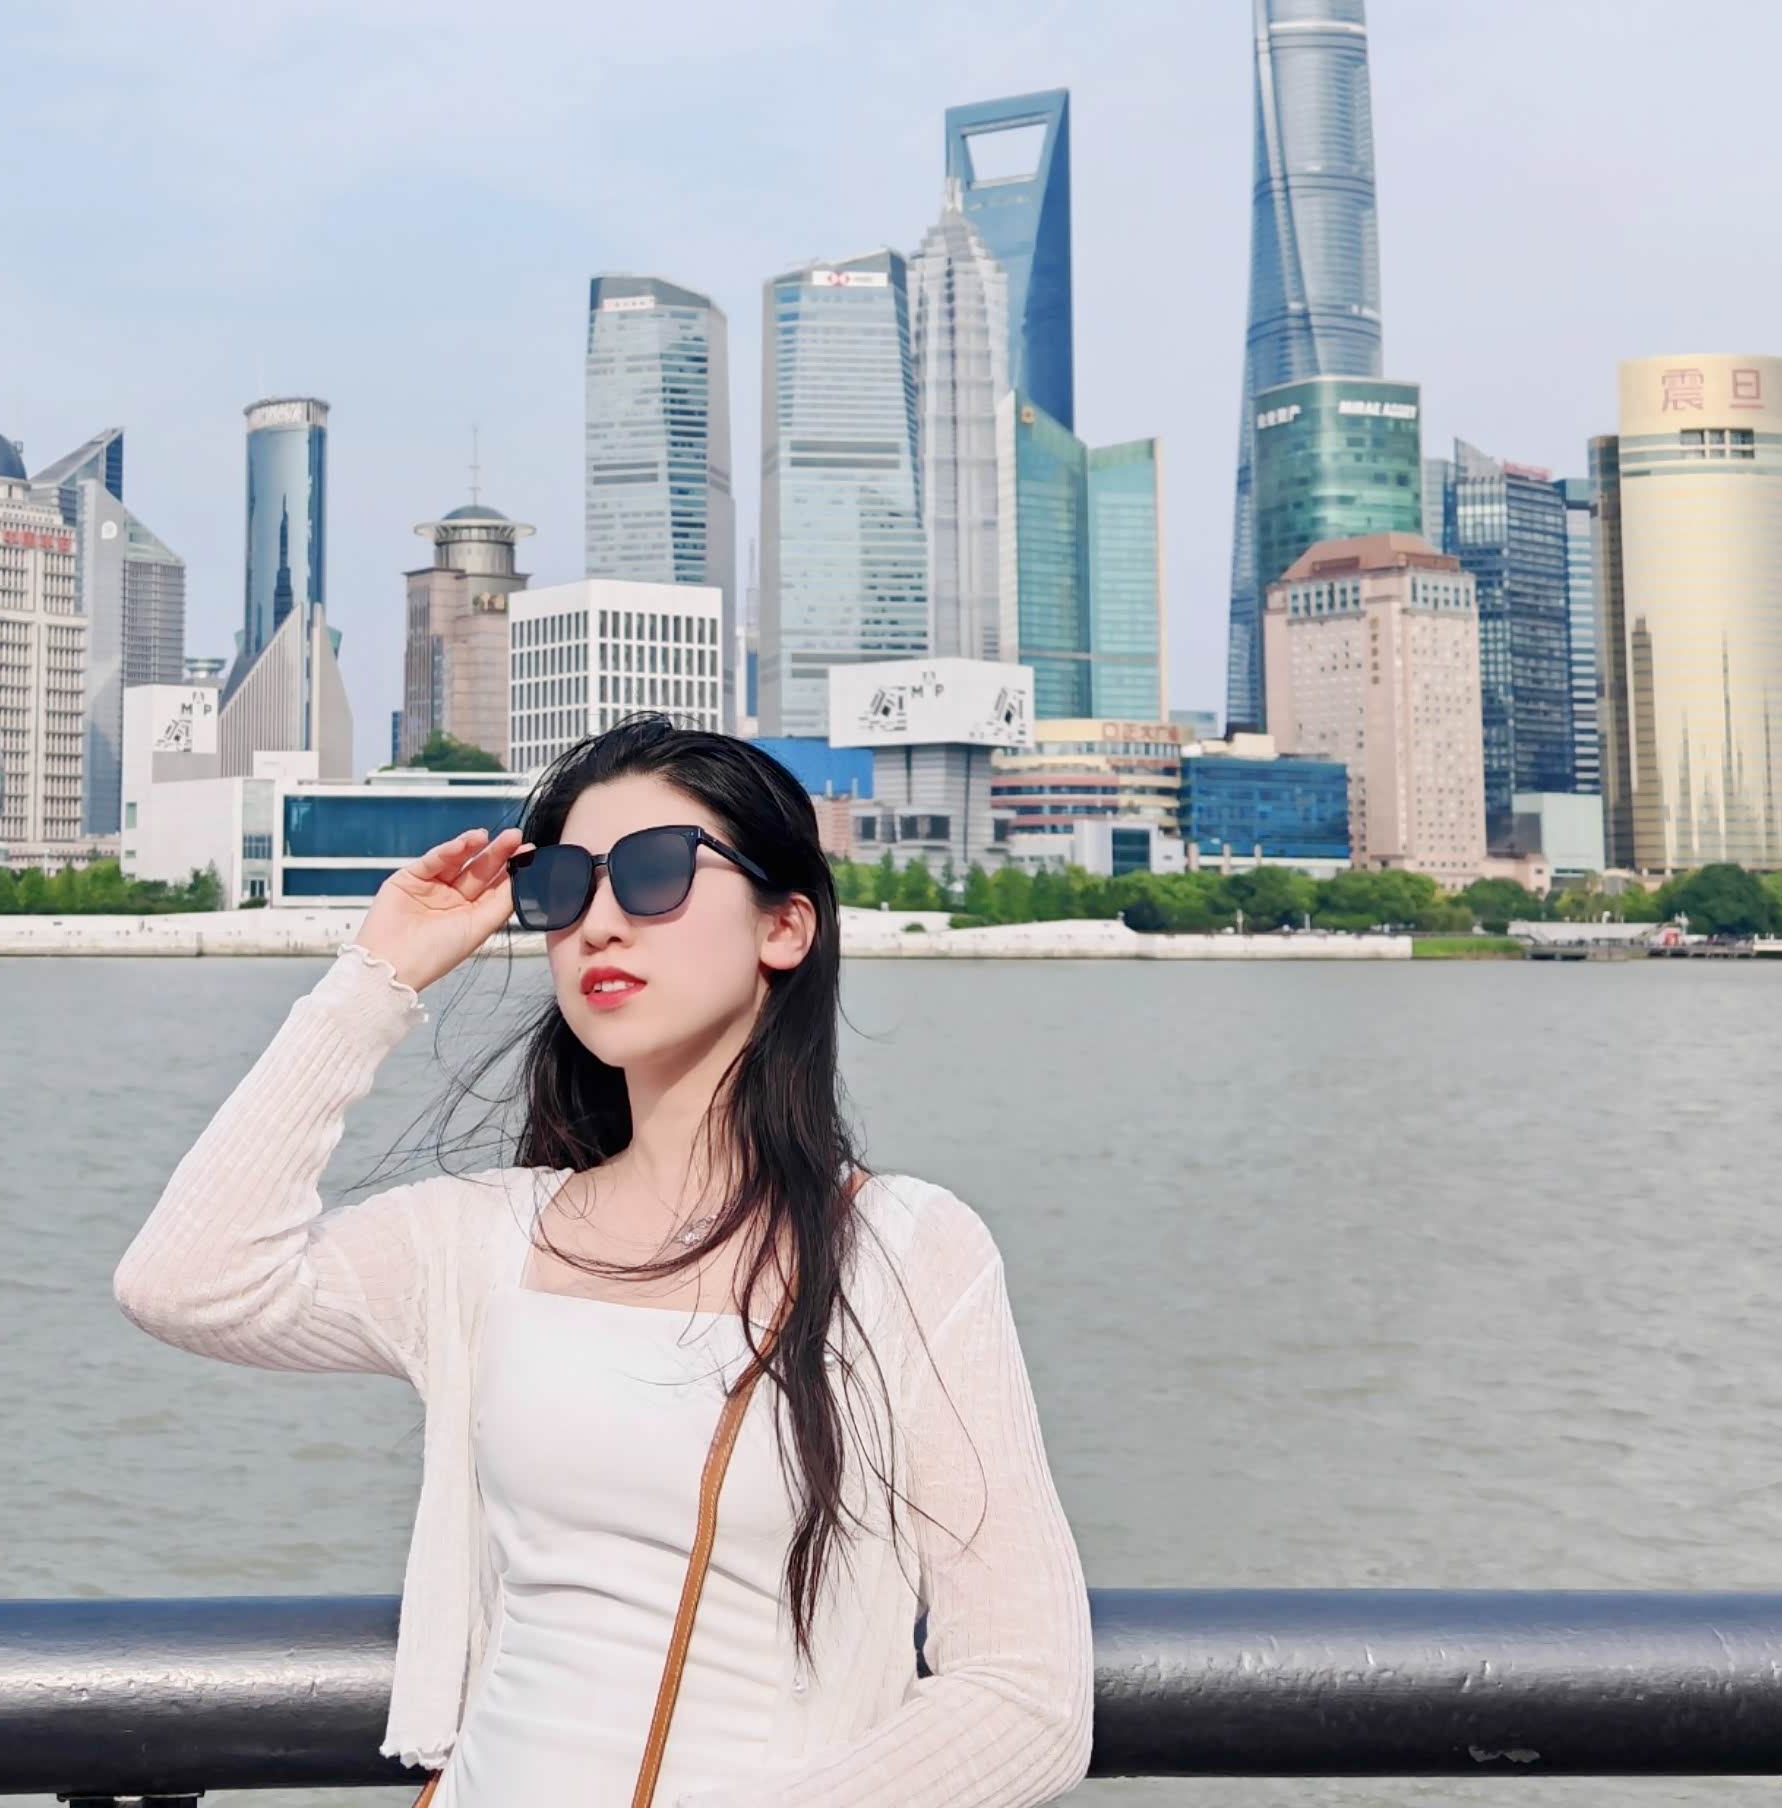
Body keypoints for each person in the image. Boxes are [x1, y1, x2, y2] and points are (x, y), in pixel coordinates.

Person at [115, 715, 1091, 1808]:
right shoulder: (481, 1240)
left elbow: (1028, 1697)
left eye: (655, 872)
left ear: (784, 926)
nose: (599, 923)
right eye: (563, 886)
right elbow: (185, 1281)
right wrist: (376, 978)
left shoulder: (905, 1251)